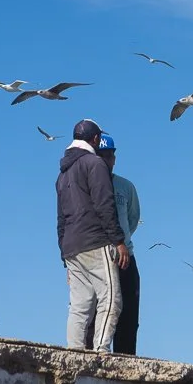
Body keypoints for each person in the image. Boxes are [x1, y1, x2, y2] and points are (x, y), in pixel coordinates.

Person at [56, 119, 129, 352]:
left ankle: (75, 352)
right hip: (95, 242)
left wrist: (64, 256)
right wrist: (118, 241)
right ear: (95, 139)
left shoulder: (62, 175)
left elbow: (61, 219)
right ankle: (101, 351)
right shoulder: (95, 164)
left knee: (80, 305)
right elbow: (105, 206)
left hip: (71, 247)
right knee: (111, 298)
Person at [84, 133, 142, 355]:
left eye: (110, 155)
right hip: (96, 257)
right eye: (101, 155)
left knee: (128, 314)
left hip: (124, 257)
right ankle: (91, 357)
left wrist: (122, 241)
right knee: (94, 312)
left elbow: (133, 217)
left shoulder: (126, 187)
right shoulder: (86, 185)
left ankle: (126, 358)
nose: (106, 160)